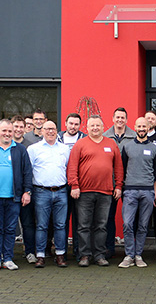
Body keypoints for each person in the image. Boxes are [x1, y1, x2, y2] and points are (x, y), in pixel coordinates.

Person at [67, 115, 123, 267]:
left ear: (103, 127)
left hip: (106, 192)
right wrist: (74, 185)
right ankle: (84, 255)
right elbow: (72, 166)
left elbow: (118, 167)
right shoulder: (80, 144)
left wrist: (118, 186)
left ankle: (99, 255)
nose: (95, 128)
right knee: (83, 226)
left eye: (98, 125)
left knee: (101, 226)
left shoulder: (111, 144)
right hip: (84, 192)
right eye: (92, 125)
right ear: (87, 128)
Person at [0, 119, 33, 271]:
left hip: (14, 197)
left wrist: (27, 191)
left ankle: (8, 258)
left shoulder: (20, 149)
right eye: (4, 131)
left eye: (10, 131)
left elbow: (27, 172)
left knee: (10, 229)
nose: (7, 134)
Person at [118, 117, 156, 268]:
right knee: (128, 224)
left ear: (149, 127)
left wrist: (154, 191)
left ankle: (138, 255)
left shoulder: (155, 149)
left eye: (144, 126)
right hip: (130, 190)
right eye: (139, 126)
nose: (142, 129)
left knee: (143, 225)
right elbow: (122, 168)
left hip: (147, 191)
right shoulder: (127, 147)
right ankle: (129, 255)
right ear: (135, 127)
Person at [28, 120, 71, 268]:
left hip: (61, 191)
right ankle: (40, 256)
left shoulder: (65, 149)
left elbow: (68, 168)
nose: (50, 131)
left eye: (53, 129)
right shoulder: (33, 149)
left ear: (57, 130)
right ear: (41, 131)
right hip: (41, 192)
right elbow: (28, 171)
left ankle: (60, 255)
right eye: (47, 129)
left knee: (60, 225)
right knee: (41, 226)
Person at [103, 107, 136, 257]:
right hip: (110, 183)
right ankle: (108, 248)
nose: (120, 120)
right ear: (113, 119)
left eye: (122, 117)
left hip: (130, 183)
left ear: (126, 120)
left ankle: (132, 250)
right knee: (108, 217)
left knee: (131, 218)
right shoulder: (105, 137)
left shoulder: (134, 137)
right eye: (117, 117)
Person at [58, 112, 86, 258]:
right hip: (62, 184)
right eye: (71, 123)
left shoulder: (84, 139)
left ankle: (78, 251)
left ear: (80, 125)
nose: (73, 127)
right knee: (61, 221)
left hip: (79, 185)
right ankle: (61, 252)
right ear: (65, 123)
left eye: (76, 124)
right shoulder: (57, 139)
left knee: (79, 220)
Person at [11, 115, 36, 263]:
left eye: (21, 127)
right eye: (16, 126)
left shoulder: (30, 146)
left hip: (25, 191)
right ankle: (7, 252)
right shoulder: (5, 145)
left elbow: (29, 171)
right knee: (8, 224)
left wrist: (28, 190)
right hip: (9, 192)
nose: (19, 129)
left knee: (28, 223)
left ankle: (30, 251)